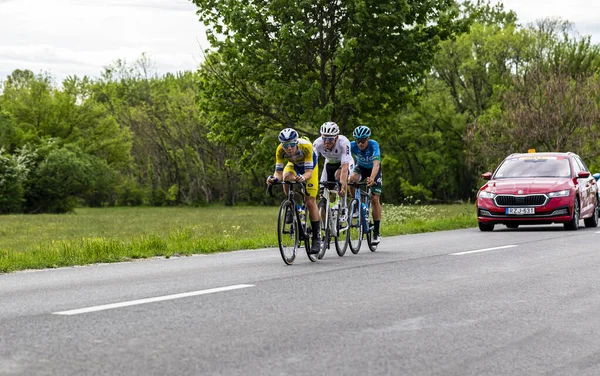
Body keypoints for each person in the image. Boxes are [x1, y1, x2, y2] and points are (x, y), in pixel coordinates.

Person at [266, 128, 321, 254]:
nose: (289, 148)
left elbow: (308, 173)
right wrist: (273, 179)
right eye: (285, 145)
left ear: (296, 142)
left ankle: (317, 238)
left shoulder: (306, 147)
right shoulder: (280, 150)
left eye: (291, 144)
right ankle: (292, 206)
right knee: (286, 178)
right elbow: (278, 173)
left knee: (310, 202)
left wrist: (302, 178)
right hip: (294, 165)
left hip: (310, 168)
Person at [312, 122, 354, 220]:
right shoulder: (317, 143)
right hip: (329, 163)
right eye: (324, 138)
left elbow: (344, 167)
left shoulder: (343, 142)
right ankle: (326, 224)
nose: (327, 142)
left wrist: (343, 186)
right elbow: (312, 165)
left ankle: (344, 208)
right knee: (323, 187)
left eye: (330, 139)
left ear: (336, 138)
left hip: (345, 163)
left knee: (339, 177)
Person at [348, 125, 382, 244]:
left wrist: (372, 178)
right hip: (361, 167)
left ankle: (376, 232)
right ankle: (356, 204)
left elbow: (376, 164)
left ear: (367, 139)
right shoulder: (352, 146)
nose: (360, 144)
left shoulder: (373, 145)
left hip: (373, 169)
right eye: (357, 141)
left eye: (362, 141)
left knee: (374, 199)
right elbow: (346, 160)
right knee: (351, 179)